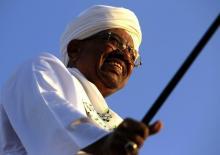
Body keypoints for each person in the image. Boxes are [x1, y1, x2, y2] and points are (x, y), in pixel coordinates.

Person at [0, 5, 162, 155]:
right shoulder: (41, 69)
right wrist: (105, 144)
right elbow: (53, 125)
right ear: (75, 49)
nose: (126, 56)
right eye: (115, 41)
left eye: (132, 54)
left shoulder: (117, 125)